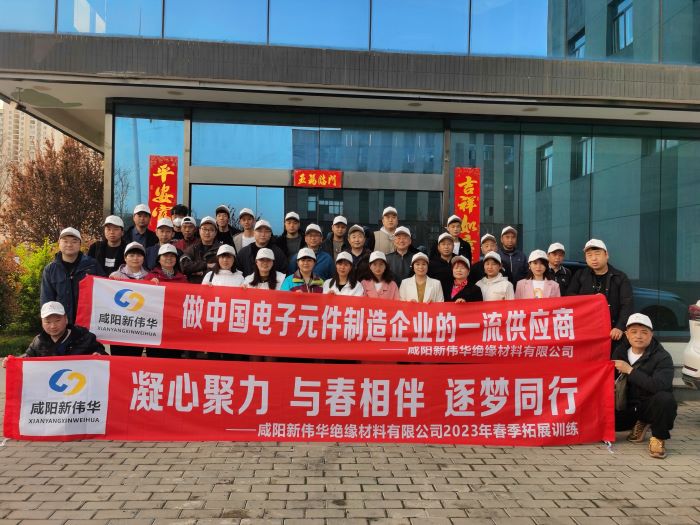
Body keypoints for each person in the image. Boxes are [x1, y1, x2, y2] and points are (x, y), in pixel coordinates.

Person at [612, 313, 677, 459]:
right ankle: (639, 423)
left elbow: (659, 385)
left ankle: (658, 438)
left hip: (648, 407)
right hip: (626, 408)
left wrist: (630, 371)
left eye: (644, 332)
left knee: (665, 399)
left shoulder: (662, 357)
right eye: (634, 332)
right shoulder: (619, 352)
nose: (639, 336)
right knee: (601, 422)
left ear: (651, 335)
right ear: (627, 334)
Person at [567, 239, 633, 342]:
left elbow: (627, 304)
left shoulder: (620, 277)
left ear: (606, 255)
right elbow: (569, 297)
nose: (594, 258)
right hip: (585, 329)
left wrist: (620, 327)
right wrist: (590, 301)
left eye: (597, 254)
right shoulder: (580, 275)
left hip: (612, 331)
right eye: (589, 255)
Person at [2, 302, 105, 367]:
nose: (53, 326)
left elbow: (103, 355)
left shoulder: (84, 337)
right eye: (47, 322)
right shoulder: (38, 341)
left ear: (66, 319)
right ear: (42, 322)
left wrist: (99, 356)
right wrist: (12, 362)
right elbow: (28, 358)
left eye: (57, 320)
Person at [40, 227, 104, 324]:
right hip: (62, 324)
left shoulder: (92, 265)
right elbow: (46, 300)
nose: (69, 245)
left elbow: (104, 291)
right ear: (59, 243)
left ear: (80, 244)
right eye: (65, 241)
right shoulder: (50, 270)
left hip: (89, 322)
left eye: (74, 241)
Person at [180, 216, 222, 283]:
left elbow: (224, 268)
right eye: (204, 229)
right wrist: (206, 265)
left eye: (211, 230)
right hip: (194, 287)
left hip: (215, 286)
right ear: (199, 231)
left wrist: (199, 272)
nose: (207, 232)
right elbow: (184, 266)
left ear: (215, 233)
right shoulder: (193, 248)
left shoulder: (221, 249)